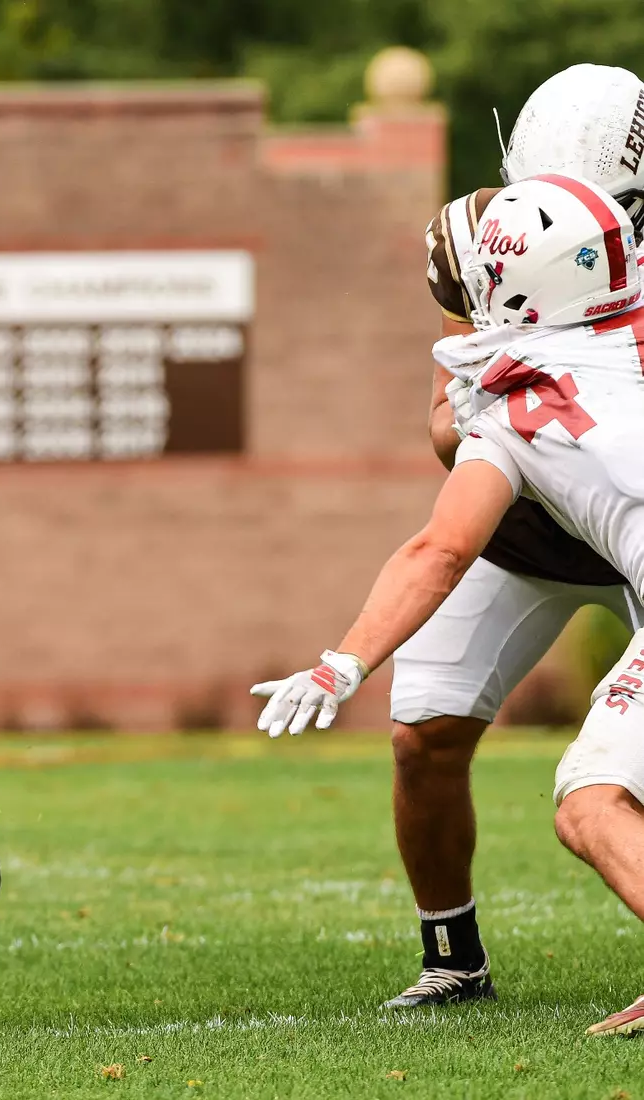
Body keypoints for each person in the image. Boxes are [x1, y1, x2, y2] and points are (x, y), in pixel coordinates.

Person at [253, 172, 644, 1037]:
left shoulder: (516, 404)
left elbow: (438, 548)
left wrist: (340, 660)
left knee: (591, 800)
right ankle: (452, 960)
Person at [385, 64, 644, 1008]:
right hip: (530, 522)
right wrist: (510, 418)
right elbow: (445, 424)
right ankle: (452, 957)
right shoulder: (489, 234)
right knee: (424, 733)